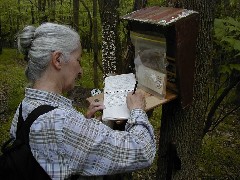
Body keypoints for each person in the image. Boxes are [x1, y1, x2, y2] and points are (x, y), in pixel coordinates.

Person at [11, 22, 156, 180]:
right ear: (58, 60)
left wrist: (84, 124)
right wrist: (137, 110)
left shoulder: (25, 106)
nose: (81, 70)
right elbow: (143, 151)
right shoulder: (61, 122)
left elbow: (54, 154)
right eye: (78, 60)